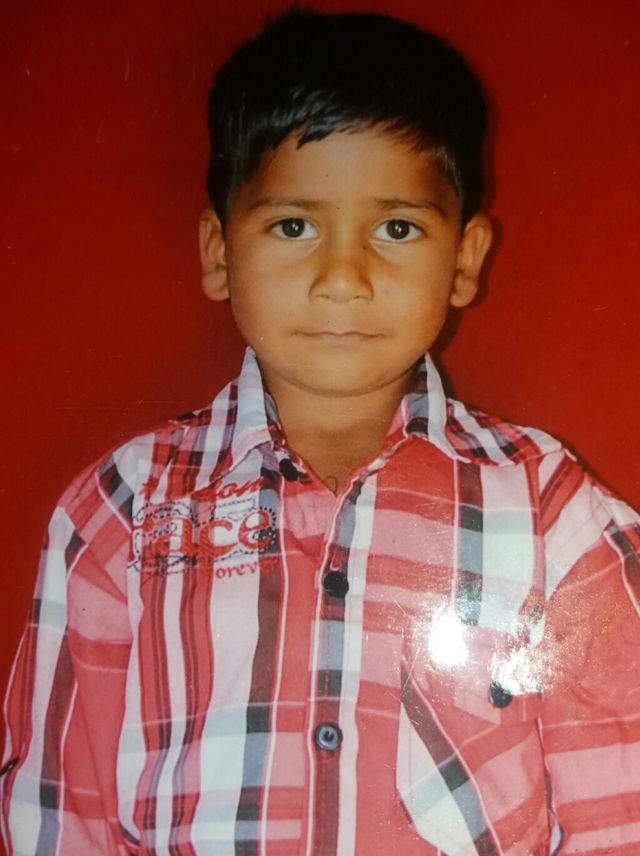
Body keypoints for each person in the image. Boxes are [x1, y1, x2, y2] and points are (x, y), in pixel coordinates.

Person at [2, 8, 639, 855]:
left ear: (464, 259)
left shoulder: (554, 514)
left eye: (396, 228)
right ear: (219, 251)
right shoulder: (120, 511)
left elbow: (621, 807)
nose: (344, 278)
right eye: (293, 225)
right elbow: (59, 815)